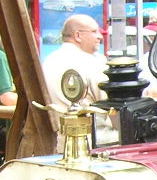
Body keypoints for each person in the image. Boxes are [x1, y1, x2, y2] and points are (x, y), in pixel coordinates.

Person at [41, 13, 117, 144]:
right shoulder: (93, 63)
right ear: (77, 35)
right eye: (94, 31)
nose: (100, 36)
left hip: (54, 140)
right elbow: (114, 107)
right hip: (87, 138)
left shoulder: (48, 61)